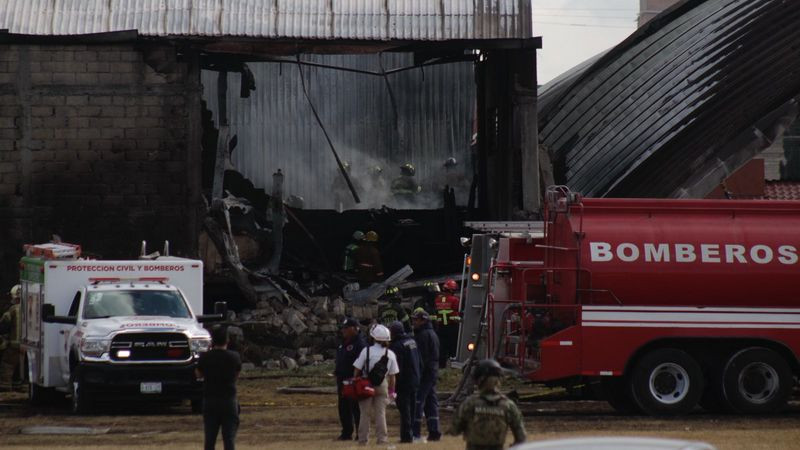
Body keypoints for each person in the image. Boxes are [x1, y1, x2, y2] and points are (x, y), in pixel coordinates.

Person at [450, 359, 526, 450]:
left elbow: (455, 430)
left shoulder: (470, 403)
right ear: (499, 380)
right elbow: (521, 437)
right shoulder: (508, 405)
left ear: (479, 381)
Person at [196, 326, 242, 450]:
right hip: (228, 399)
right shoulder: (234, 357)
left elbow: (198, 374)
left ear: (212, 341)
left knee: (210, 439)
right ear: (227, 341)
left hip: (210, 399)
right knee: (229, 439)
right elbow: (236, 376)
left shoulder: (205, 357)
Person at [353, 324, 399, 446]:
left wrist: (355, 381)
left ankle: (363, 440)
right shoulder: (391, 354)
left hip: (366, 384)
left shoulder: (366, 351)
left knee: (364, 414)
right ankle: (382, 440)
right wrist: (392, 391)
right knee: (381, 414)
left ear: (374, 338)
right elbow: (393, 376)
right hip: (382, 384)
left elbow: (357, 369)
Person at [334, 317, 367, 441]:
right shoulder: (343, 342)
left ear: (354, 328)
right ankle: (346, 432)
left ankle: (360, 433)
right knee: (343, 407)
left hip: (354, 380)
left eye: (346, 328)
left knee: (356, 408)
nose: (344, 330)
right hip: (342, 379)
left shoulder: (360, 343)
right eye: (343, 328)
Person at [389, 321, 421, 444]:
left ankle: (406, 436)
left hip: (404, 383)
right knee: (412, 409)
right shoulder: (412, 341)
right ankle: (411, 433)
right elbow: (419, 360)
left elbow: (397, 367)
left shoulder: (396, 346)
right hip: (414, 379)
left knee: (405, 410)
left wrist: (395, 383)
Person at [411, 309, 441, 442]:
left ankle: (415, 432)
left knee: (418, 402)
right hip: (432, 372)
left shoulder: (423, 335)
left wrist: (418, 374)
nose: (413, 322)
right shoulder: (432, 333)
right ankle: (434, 431)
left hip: (425, 374)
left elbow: (422, 358)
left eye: (416, 320)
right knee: (431, 402)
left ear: (423, 320)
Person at [434, 279, 461, 368]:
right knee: (453, 348)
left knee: (442, 348)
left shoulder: (437, 300)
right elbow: (457, 313)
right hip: (452, 327)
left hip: (441, 327)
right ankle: (453, 366)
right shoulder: (455, 300)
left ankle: (442, 366)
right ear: (452, 290)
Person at [0, 285, 22, 391]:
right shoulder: (34, 305)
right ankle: (21, 386)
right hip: (30, 347)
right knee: (22, 366)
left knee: (7, 364)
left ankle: (5, 387)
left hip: (15, 345)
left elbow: (3, 325)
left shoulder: (13, 309)